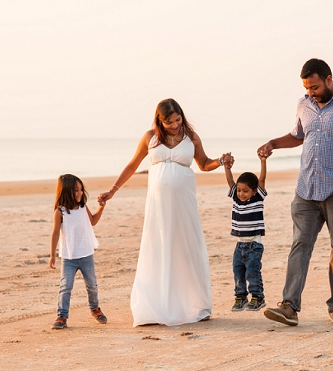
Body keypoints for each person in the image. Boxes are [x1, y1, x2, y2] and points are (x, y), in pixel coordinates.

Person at [257, 58, 333, 326]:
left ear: (328, 79)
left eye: (314, 87)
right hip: (306, 189)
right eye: (306, 88)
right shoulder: (304, 104)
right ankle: (289, 306)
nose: (310, 92)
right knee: (300, 244)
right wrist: (273, 144)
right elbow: (299, 135)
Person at [97, 98, 232, 327]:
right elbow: (132, 165)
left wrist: (220, 161)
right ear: (160, 120)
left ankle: (195, 305)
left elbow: (203, 163)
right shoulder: (150, 138)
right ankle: (153, 308)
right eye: (169, 122)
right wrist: (113, 190)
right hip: (157, 207)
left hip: (184, 203)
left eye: (178, 119)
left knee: (186, 247)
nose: (175, 125)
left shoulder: (191, 138)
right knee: (157, 247)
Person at [49, 174, 108, 330]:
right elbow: (55, 233)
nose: (79, 193)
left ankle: (94, 308)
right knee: (66, 286)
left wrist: (101, 207)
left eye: (81, 190)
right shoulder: (60, 212)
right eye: (76, 190)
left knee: (92, 285)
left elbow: (93, 221)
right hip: (69, 257)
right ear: (66, 191)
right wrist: (52, 255)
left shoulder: (83, 207)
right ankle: (62, 315)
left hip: (86, 254)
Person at [224, 152, 268, 312]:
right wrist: (227, 167)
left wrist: (263, 161)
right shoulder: (236, 199)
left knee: (252, 272)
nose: (241, 194)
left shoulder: (258, 198)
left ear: (254, 191)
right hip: (240, 245)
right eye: (239, 190)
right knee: (238, 272)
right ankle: (240, 297)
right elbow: (230, 182)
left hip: (254, 245)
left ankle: (258, 297)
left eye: (245, 191)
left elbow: (262, 179)